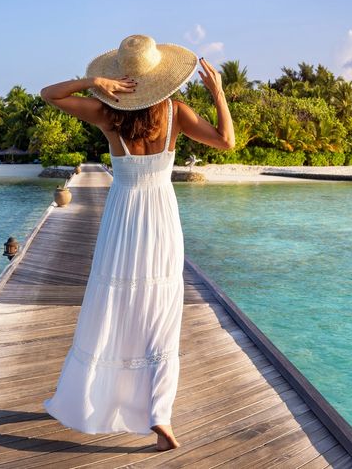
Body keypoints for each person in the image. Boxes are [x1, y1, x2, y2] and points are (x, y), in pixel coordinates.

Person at [39, 34, 235, 451]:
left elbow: (49, 94)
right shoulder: (177, 112)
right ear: (161, 78)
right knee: (161, 311)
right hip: (161, 217)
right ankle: (159, 415)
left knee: (115, 304)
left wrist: (94, 83)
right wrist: (218, 94)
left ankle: (99, 398)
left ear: (121, 77)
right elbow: (226, 141)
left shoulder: (106, 114)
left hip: (123, 218)